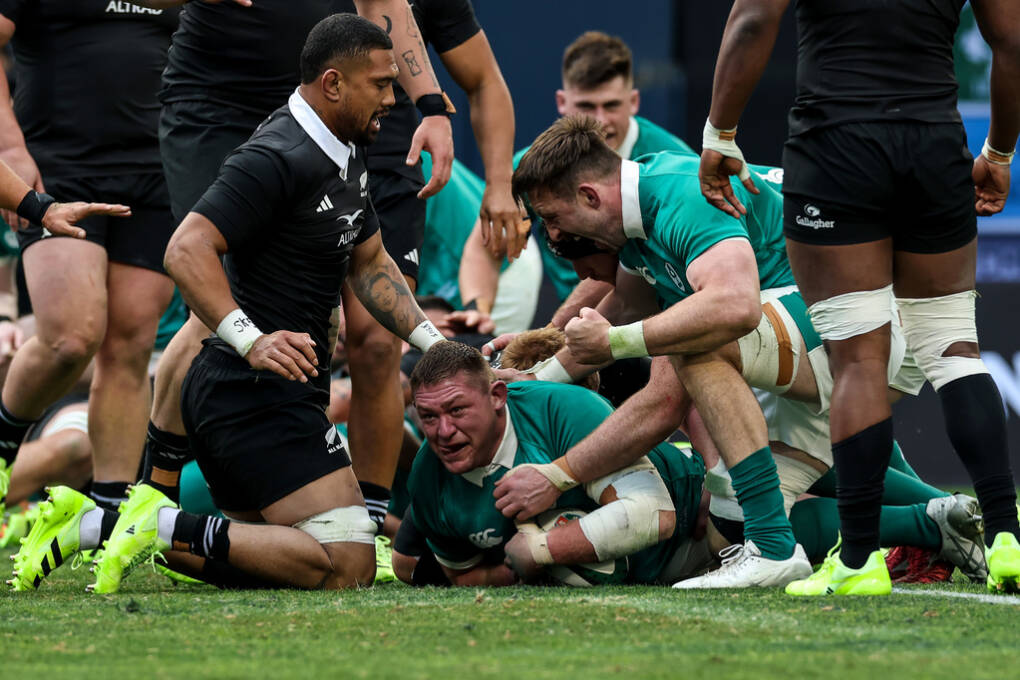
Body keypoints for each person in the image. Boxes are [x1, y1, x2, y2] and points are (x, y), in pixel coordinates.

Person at [19, 15, 447, 594]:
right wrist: (253, 339)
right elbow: (185, 249)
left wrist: (438, 348)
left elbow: (371, 266)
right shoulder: (277, 154)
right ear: (333, 83)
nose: (393, 99)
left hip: (269, 392)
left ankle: (112, 525)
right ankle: (149, 520)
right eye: (381, 84)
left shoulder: (342, 146)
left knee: (263, 560)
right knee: (349, 565)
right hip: (250, 396)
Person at [696, 0, 1020, 595]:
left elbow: (752, 19)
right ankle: (1006, 537)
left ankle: (859, 560)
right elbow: (1013, 39)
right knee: (954, 349)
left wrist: (721, 134)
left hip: (835, 148)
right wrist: (999, 153)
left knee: (859, 362)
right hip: (932, 145)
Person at [0, 2, 178, 530]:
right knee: (71, 337)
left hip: (155, 167)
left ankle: (110, 522)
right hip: (57, 164)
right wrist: (9, 147)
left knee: (130, 346)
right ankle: (3, 452)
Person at [459, 30, 695, 329]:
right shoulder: (537, 171)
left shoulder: (675, 165)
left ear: (634, 101)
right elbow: (485, 246)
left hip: (656, 319)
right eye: (586, 106)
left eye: (611, 105)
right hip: (573, 324)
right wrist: (476, 309)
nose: (601, 120)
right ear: (562, 102)